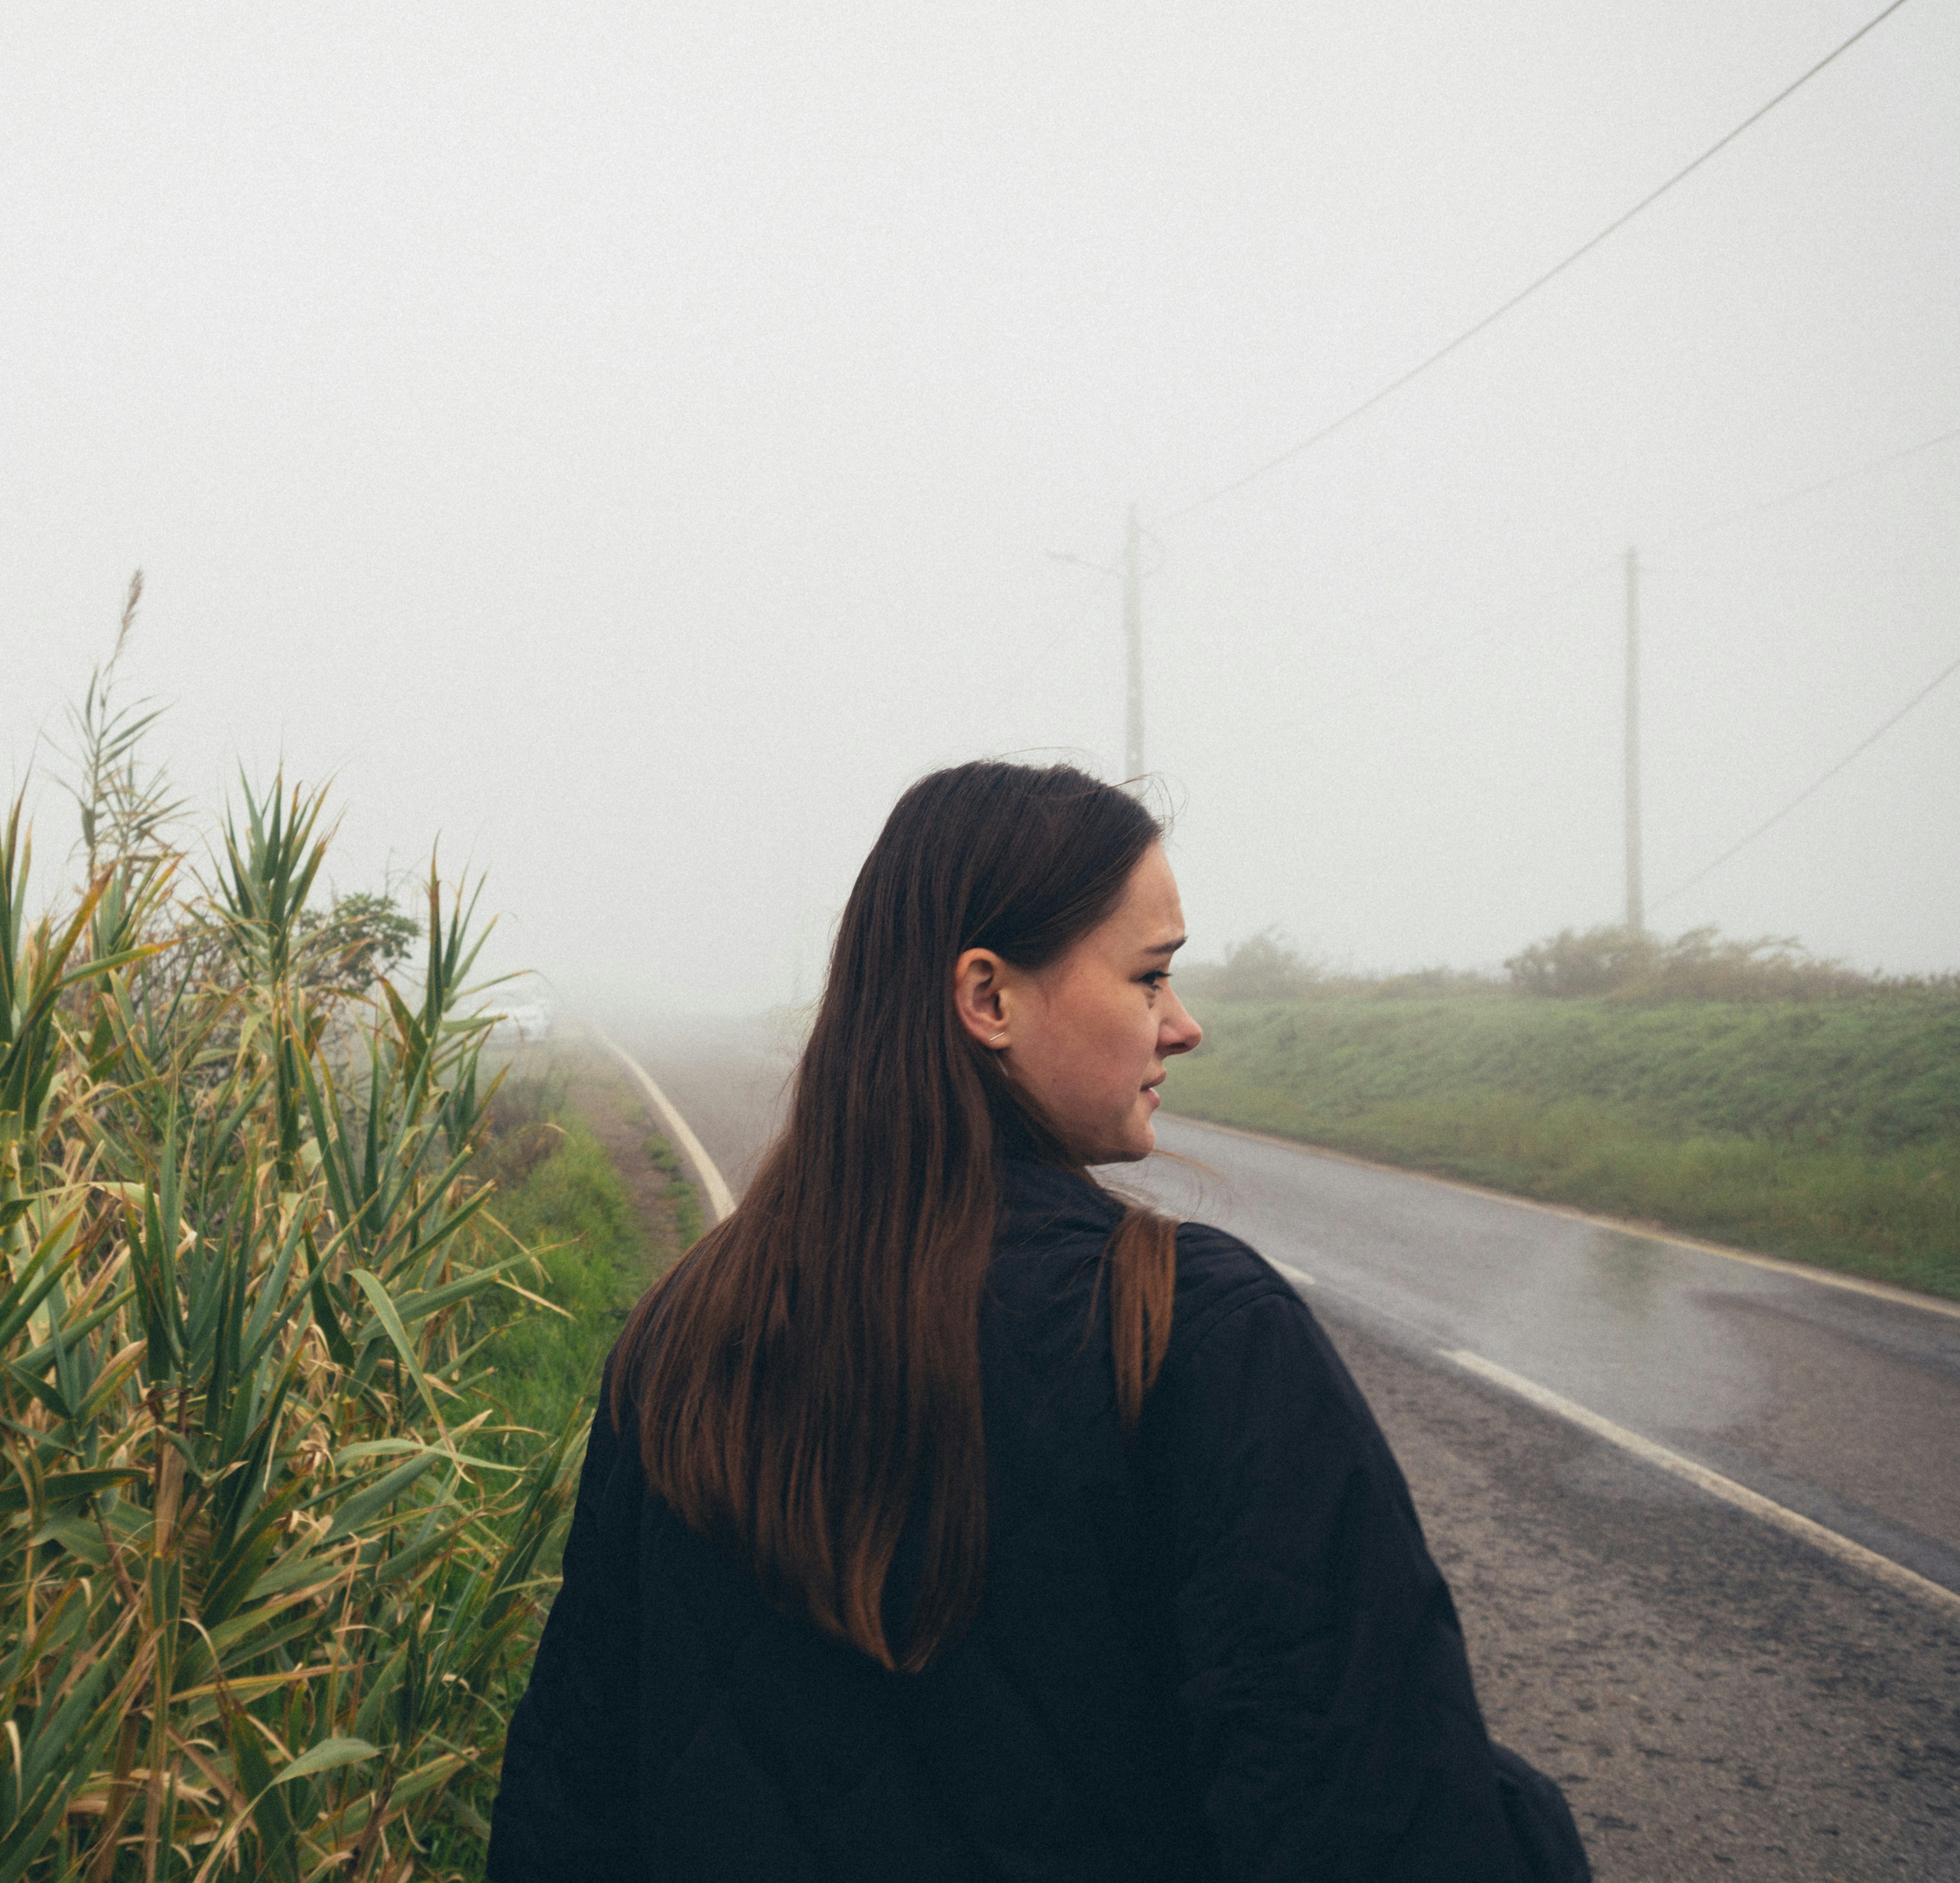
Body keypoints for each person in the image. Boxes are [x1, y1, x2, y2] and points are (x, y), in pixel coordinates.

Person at [488, 761, 1586, 1882]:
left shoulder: (683, 1336)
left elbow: (571, 1791)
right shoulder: (1197, 1335)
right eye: (1151, 977)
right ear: (990, 999)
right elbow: (1372, 1816)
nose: (1185, 1024)